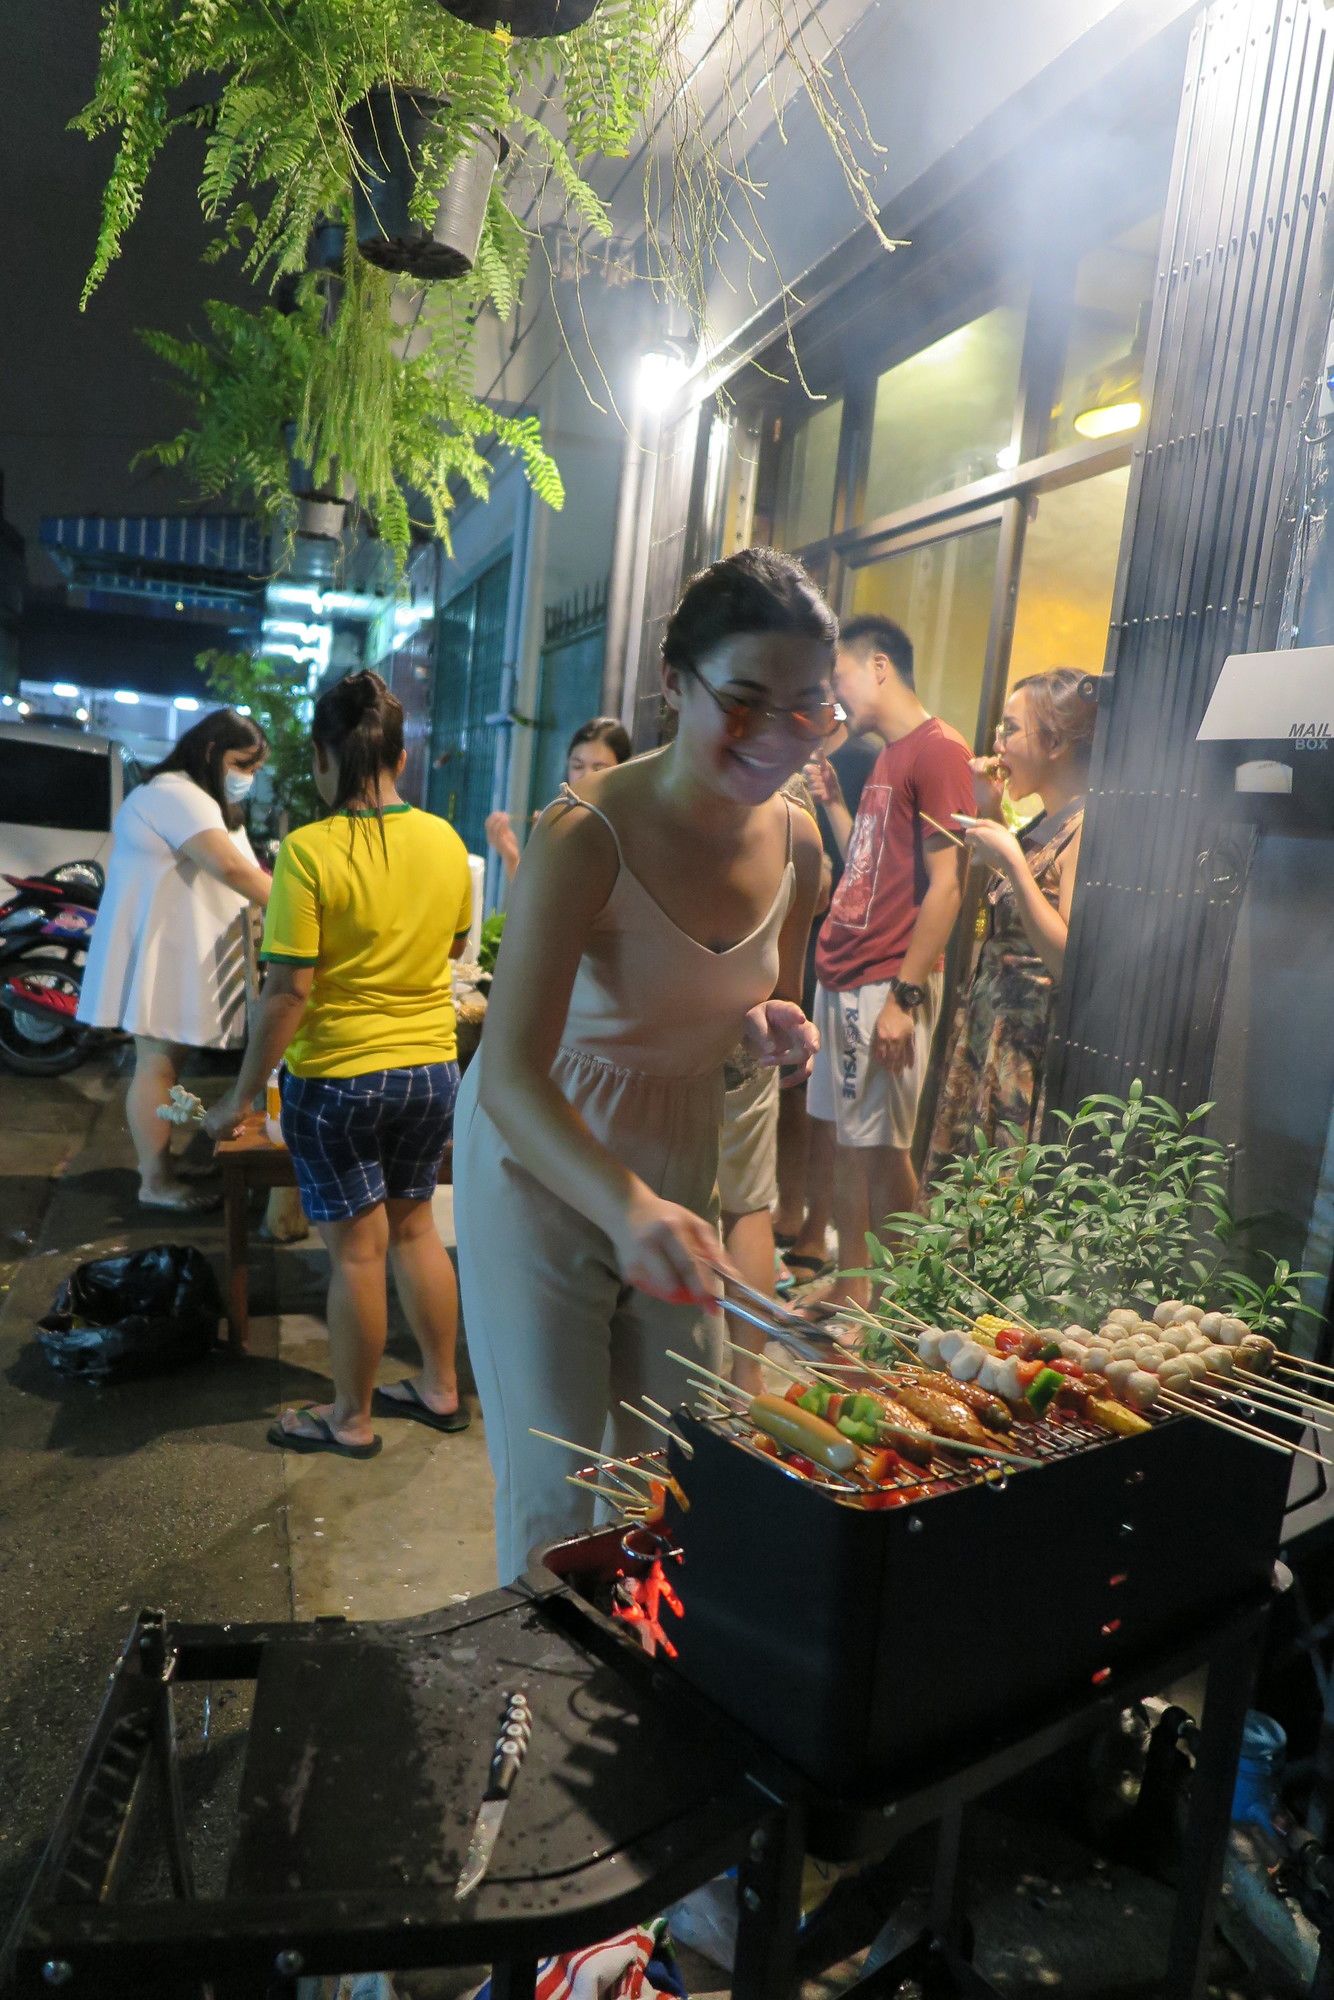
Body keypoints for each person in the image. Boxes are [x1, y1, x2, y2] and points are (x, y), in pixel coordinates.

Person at [454, 548, 832, 1583]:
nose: (775, 737)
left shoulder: (799, 845)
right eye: (743, 703)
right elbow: (508, 1073)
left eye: (807, 709)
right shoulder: (585, 832)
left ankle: (647, 1658)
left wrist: (766, 1027)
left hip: (679, 1149)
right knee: (557, 1485)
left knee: (676, 1459)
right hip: (543, 1152)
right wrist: (623, 1208)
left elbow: (751, 1005)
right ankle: (540, 1668)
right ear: (674, 682)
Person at [204, 672, 473, 1459]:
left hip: (340, 1079)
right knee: (416, 1230)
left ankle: (350, 1419)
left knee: (357, 1250)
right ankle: (440, 1387)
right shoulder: (445, 841)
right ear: (399, 755)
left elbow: (288, 991)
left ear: (324, 756)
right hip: (432, 1070)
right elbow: (455, 945)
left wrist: (240, 1097)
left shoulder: (310, 851)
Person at [802, 614, 973, 1312]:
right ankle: (853, 1287)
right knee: (850, 1140)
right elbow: (868, 866)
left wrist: (905, 998)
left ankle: (906, 1304)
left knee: (882, 1147)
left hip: (884, 978)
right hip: (845, 969)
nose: (835, 695)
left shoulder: (939, 750)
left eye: (839, 676)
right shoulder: (887, 756)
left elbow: (949, 885)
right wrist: (835, 807)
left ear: (879, 666)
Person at [76, 707, 272, 1211]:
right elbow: (231, 868)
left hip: (176, 957)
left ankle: (162, 1165)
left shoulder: (199, 799)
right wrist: (303, 907)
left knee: (167, 1069)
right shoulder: (173, 794)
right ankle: (155, 1182)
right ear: (210, 751)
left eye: (254, 769)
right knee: (156, 1068)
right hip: (160, 958)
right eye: (241, 764)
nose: (247, 777)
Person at [921, 668, 1096, 1182]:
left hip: (1027, 1049)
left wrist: (1014, 863)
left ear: (1056, 743)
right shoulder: (1047, 822)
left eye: (1010, 729)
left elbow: (1068, 958)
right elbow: (1015, 914)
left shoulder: (1089, 827)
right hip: (992, 1035)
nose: (997, 743)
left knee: (997, 1194)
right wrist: (990, 809)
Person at [772, 718, 878, 1284]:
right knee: (793, 1088)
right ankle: (790, 1211)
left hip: (837, 939)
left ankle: (818, 1229)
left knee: (819, 1093)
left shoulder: (866, 757)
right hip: (797, 927)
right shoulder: (788, 756)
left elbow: (865, 868)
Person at [485, 717, 632, 883]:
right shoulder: (562, 827)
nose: (586, 776)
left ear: (622, 773)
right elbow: (534, 897)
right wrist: (513, 857)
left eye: (599, 769)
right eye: (577, 766)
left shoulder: (627, 836)